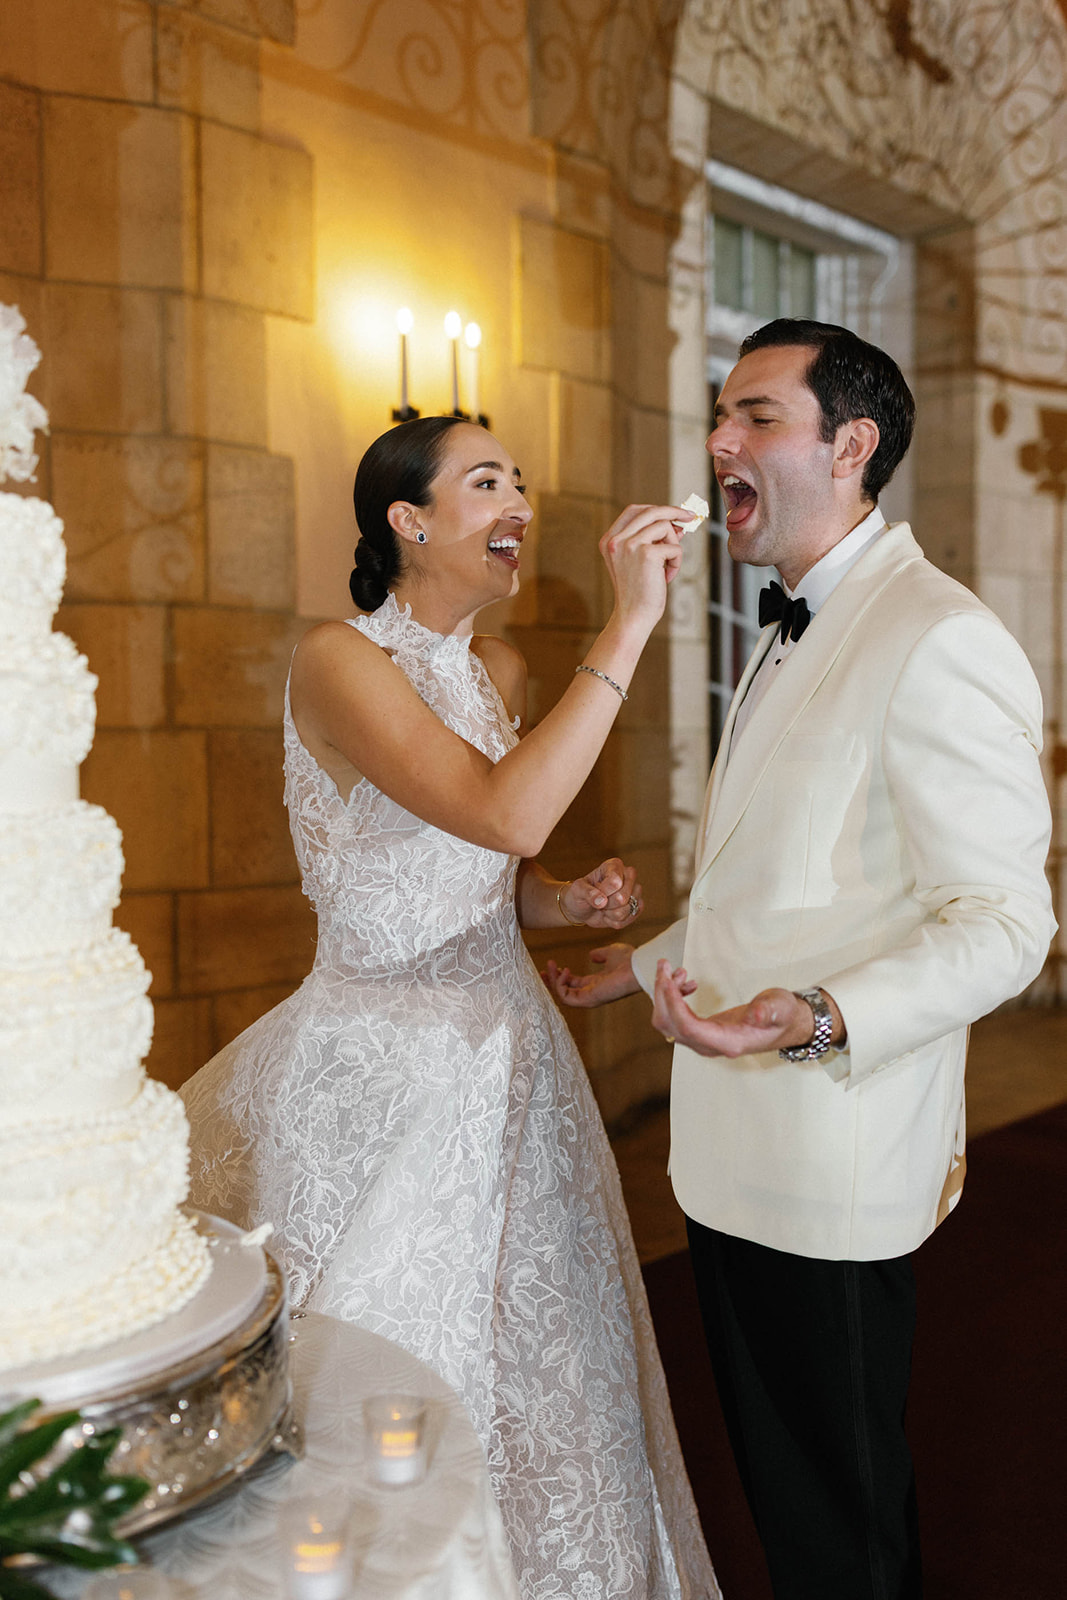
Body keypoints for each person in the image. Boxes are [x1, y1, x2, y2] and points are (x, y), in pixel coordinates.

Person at [546, 320, 1055, 1600]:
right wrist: (643, 959)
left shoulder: (936, 633)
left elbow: (1003, 922)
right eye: (721, 415)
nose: (720, 441)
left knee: (839, 1521)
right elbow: (787, 876)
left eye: (758, 417)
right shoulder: (787, 622)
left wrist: (818, 1016)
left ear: (851, 445)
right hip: (727, 1154)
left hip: (827, 1161)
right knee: (782, 1490)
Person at [180, 415, 719, 1599]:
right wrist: (629, 622)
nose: (516, 499)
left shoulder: (500, 673)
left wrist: (558, 897)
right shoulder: (337, 658)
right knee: (387, 1365)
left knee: (544, 1367)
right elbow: (501, 810)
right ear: (407, 521)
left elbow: (485, 860)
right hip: (380, 1071)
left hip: (513, 1062)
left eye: (520, 479)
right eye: (485, 482)